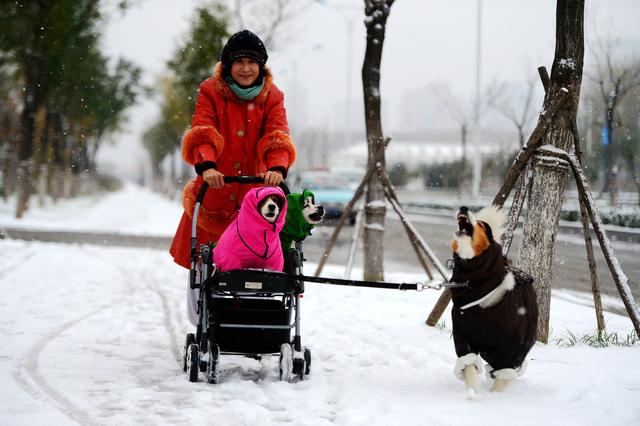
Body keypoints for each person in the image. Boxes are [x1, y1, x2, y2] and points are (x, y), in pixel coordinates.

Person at [169, 30, 296, 324]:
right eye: (239, 61)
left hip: (253, 197)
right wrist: (207, 164)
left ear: (261, 66)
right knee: (205, 263)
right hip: (215, 189)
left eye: (252, 61)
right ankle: (204, 322)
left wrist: (276, 168)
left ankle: (251, 322)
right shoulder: (211, 91)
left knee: (254, 265)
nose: (246, 68)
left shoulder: (272, 97)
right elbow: (204, 129)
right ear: (228, 65)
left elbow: (277, 134)